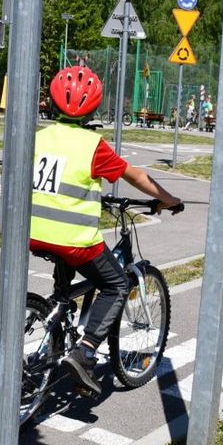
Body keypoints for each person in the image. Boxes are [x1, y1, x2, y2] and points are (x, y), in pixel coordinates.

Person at [30, 65, 182, 396]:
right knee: (115, 284)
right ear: (94, 108)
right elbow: (137, 177)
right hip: (73, 240)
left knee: (66, 286)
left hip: (33, 231)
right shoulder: (91, 145)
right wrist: (168, 200)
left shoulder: (38, 137)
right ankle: (85, 353)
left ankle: (55, 315)